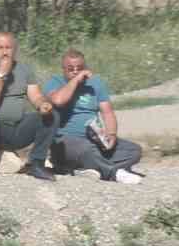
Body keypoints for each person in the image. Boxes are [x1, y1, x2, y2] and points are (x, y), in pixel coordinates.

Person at [43, 50, 144, 184]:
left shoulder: (95, 83)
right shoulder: (55, 82)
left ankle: (86, 169)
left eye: (79, 69)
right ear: (63, 69)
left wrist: (111, 134)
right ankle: (114, 173)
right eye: (70, 69)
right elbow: (58, 100)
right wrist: (76, 80)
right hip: (65, 141)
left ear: (85, 68)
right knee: (86, 149)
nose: (75, 71)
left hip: (94, 139)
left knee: (133, 151)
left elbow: (107, 111)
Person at [0, 31, 56, 182]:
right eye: (0, 48)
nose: (4, 52)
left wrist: (43, 104)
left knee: (51, 116)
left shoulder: (24, 69)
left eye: (8, 48)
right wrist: (2, 73)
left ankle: (36, 164)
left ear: (14, 49)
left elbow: (35, 95)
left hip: (16, 130)